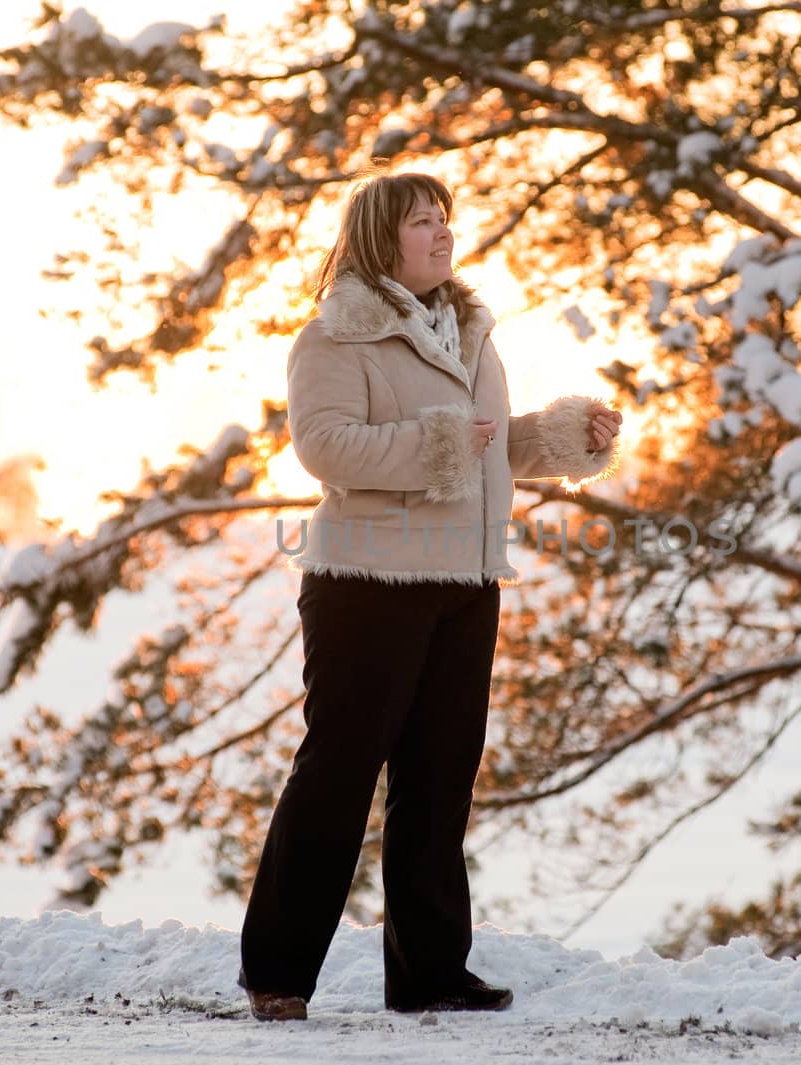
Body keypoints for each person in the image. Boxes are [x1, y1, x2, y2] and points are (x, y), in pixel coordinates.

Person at [238, 172, 622, 1022]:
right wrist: (445, 441)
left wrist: (563, 437)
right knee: (338, 775)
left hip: (466, 582)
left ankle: (430, 973)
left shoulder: (472, 332)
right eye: (423, 221)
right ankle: (278, 972)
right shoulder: (335, 338)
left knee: (440, 780)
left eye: (447, 218)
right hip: (365, 586)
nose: (443, 233)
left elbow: (489, 449)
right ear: (383, 237)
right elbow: (327, 447)